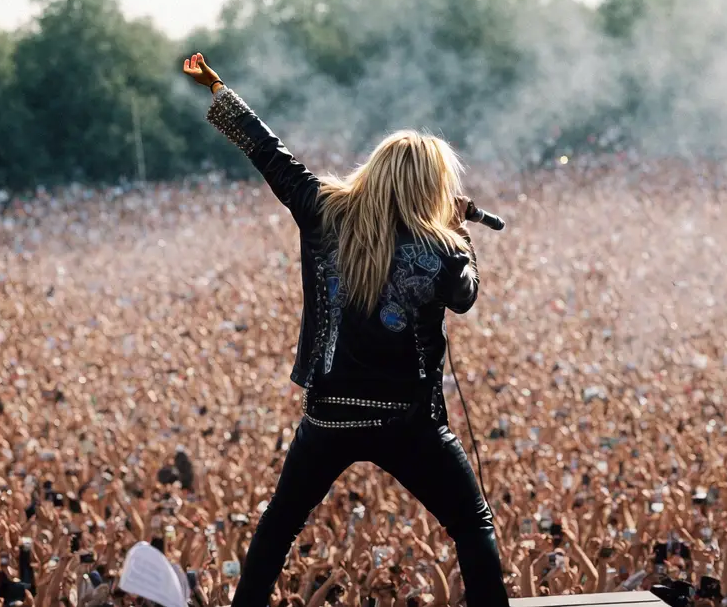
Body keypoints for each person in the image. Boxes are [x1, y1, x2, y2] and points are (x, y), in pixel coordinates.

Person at [182, 53, 510, 606]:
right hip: (408, 421)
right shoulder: (441, 247)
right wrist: (459, 234)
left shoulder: (322, 210)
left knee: (281, 525)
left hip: (330, 412)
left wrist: (218, 88)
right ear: (433, 185)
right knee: (472, 525)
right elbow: (465, 300)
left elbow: (270, 153)